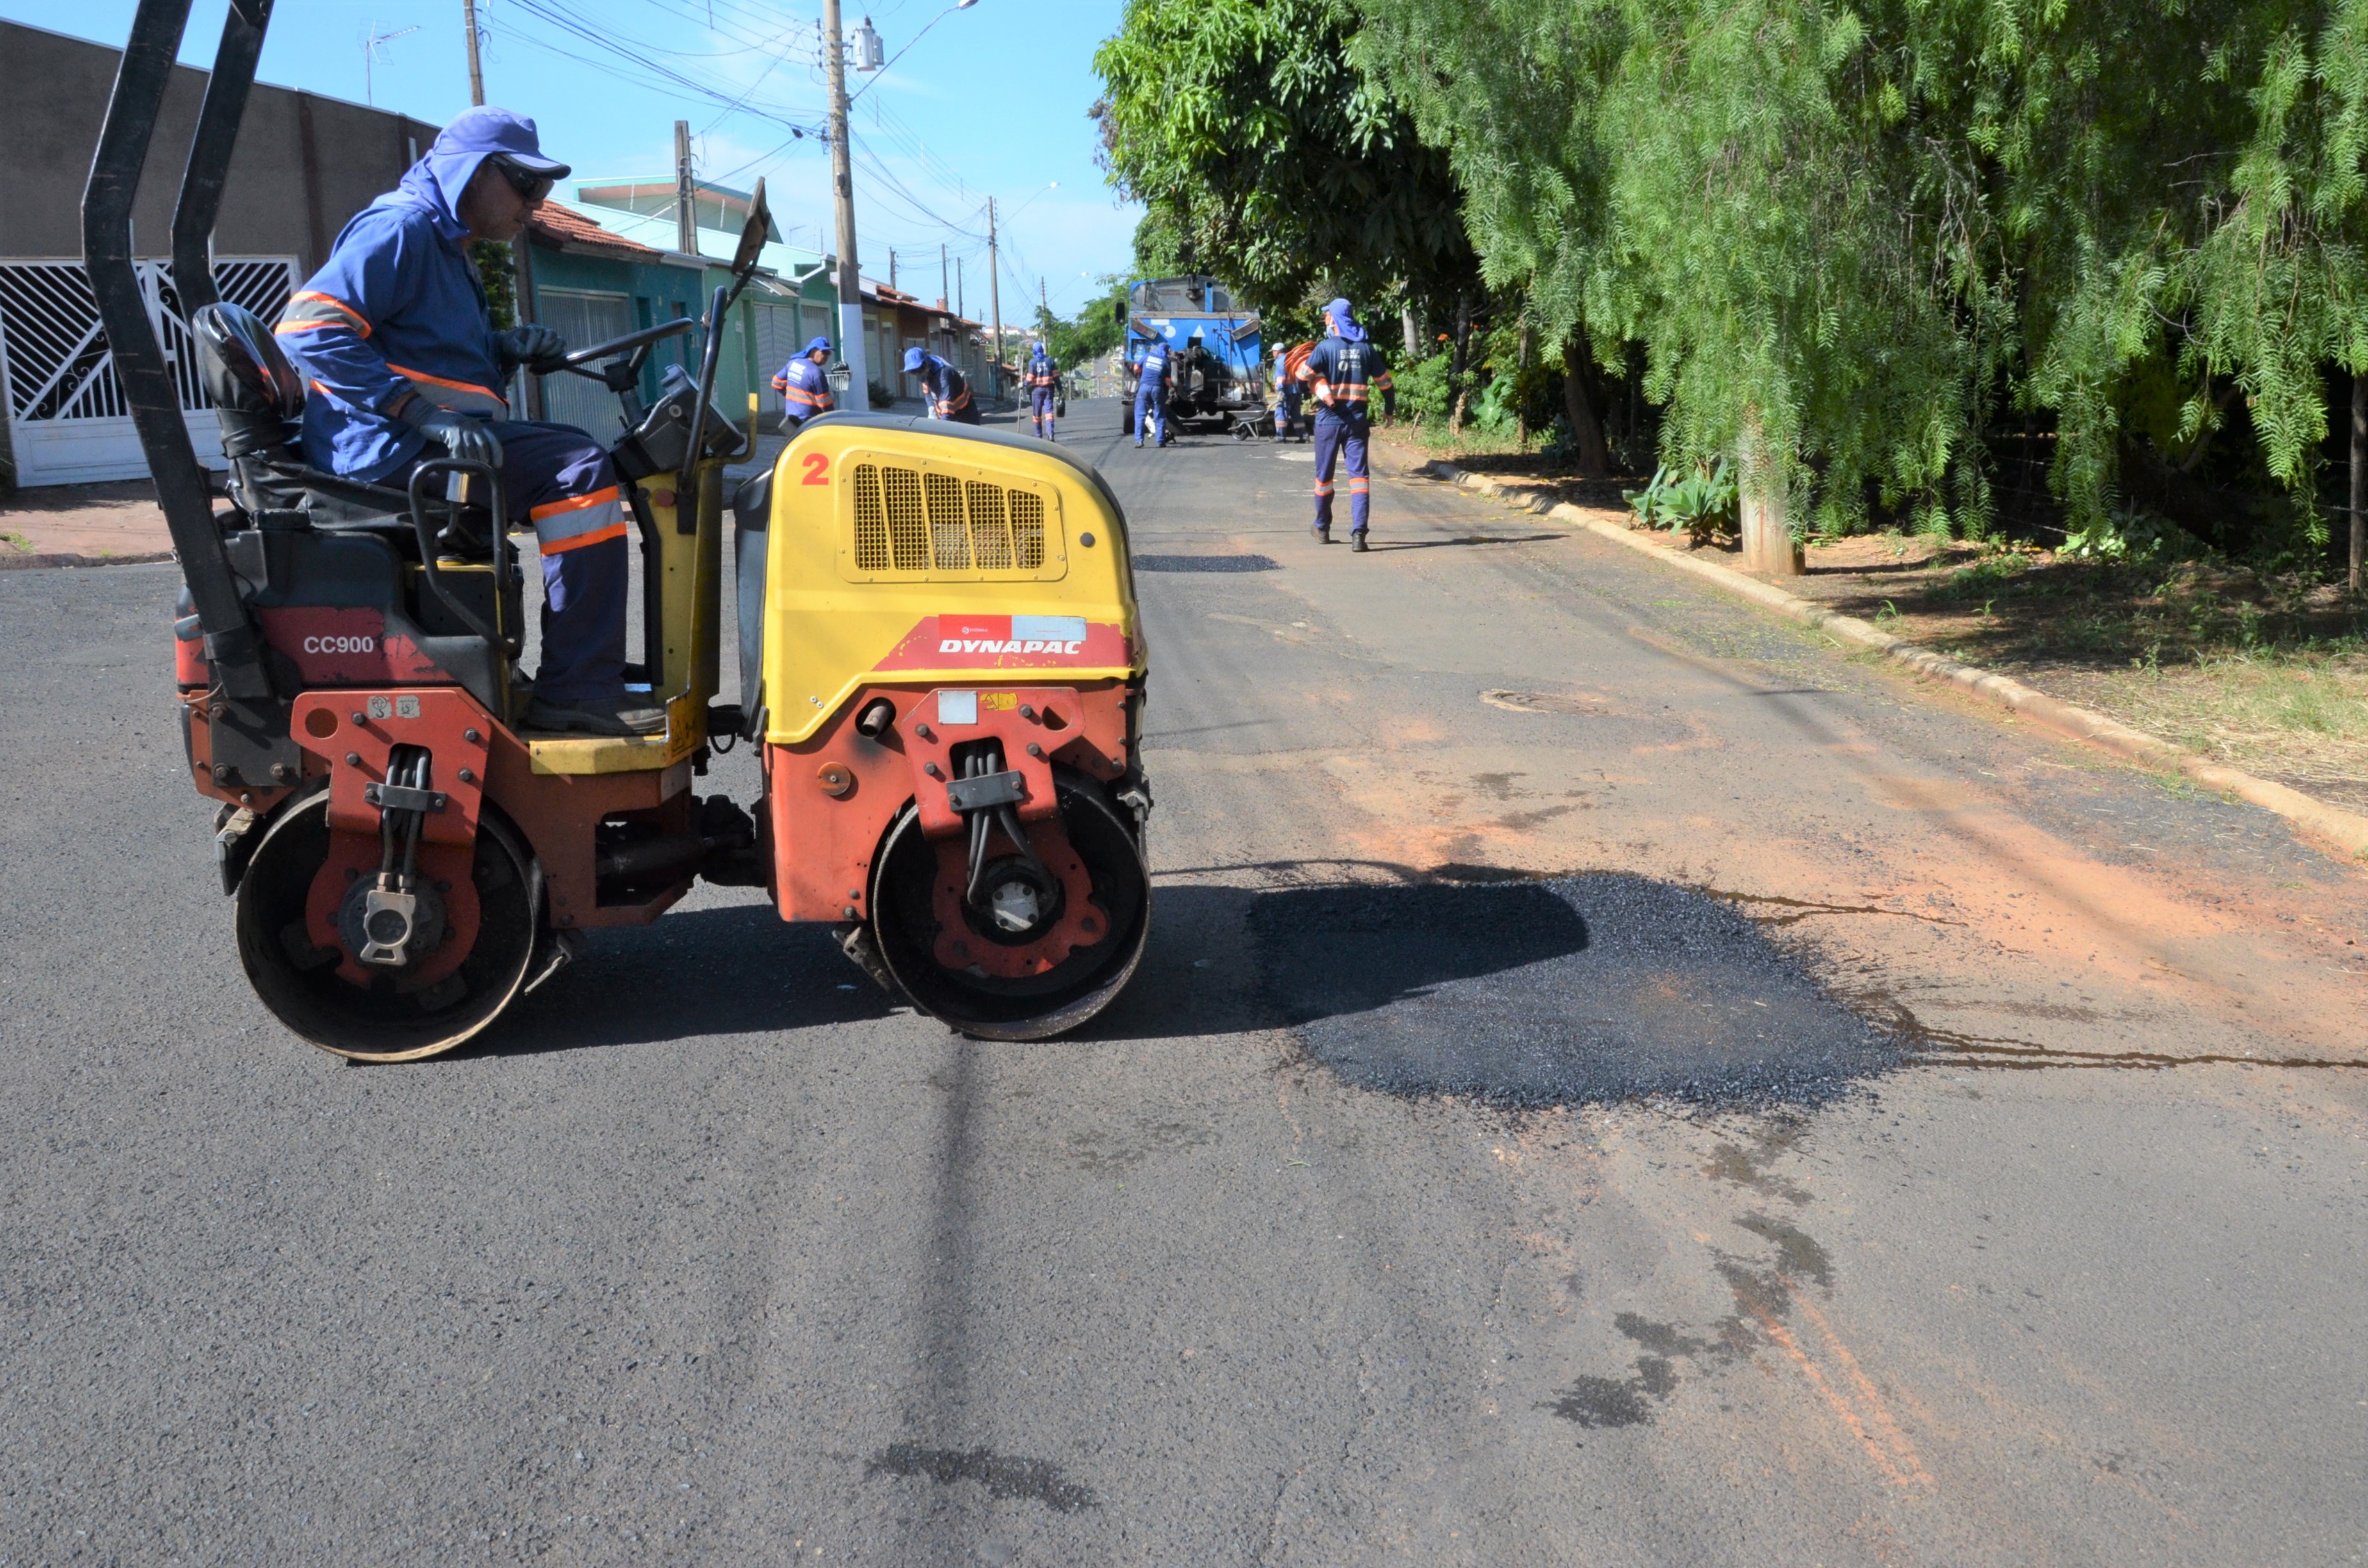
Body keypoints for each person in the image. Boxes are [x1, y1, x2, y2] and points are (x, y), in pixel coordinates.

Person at [274, 109, 659, 737]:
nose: (536, 206)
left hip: (410, 448)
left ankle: (536, 672)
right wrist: (418, 413)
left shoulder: (449, 248)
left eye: (544, 191)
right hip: (385, 456)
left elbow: (433, 359)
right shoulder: (400, 229)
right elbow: (308, 330)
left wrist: (504, 352)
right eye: (527, 187)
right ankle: (580, 687)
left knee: (573, 449)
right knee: (579, 471)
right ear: (472, 174)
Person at [1299, 297, 1395, 551]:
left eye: (1327, 315)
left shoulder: (1325, 347)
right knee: (1360, 478)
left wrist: (1316, 382)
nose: (1325, 319)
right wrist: (1389, 410)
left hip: (1328, 422)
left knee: (1324, 478)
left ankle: (1322, 527)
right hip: (1357, 423)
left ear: (1335, 318)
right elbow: (1385, 384)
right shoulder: (1367, 349)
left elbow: (1302, 378)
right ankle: (1359, 535)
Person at [770, 335, 835, 434]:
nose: (827, 356)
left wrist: (789, 395)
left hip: (790, 421)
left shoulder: (793, 363)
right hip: (809, 424)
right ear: (813, 351)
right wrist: (834, 421)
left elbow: (776, 382)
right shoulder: (816, 373)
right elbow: (825, 405)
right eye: (824, 352)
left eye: (829, 353)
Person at [903, 347, 980, 424]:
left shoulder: (943, 375)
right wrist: (932, 411)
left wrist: (942, 427)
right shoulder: (926, 372)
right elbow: (927, 392)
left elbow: (947, 408)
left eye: (919, 369)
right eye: (913, 372)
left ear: (926, 364)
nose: (917, 374)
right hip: (949, 414)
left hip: (965, 413)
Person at [1132, 333, 1172, 448]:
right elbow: (1168, 381)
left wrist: (1142, 372)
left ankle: (1139, 441)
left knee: (1140, 415)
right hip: (1157, 389)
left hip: (1144, 388)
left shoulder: (1147, 356)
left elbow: (1136, 367)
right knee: (1159, 416)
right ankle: (1160, 441)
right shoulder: (1165, 362)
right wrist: (1168, 392)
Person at [1026, 343, 1060, 440]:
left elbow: (1030, 378)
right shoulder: (1050, 361)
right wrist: (1060, 389)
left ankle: (1038, 436)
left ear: (1034, 351)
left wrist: (1023, 384)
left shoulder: (1032, 362)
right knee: (1049, 412)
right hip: (1048, 390)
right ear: (1042, 350)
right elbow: (1056, 377)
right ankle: (1050, 434)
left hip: (1037, 391)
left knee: (1037, 414)